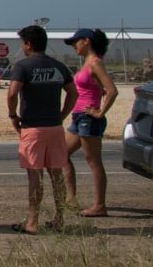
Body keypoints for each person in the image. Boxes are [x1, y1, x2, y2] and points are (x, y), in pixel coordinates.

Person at [7, 24, 78, 234]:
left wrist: (13, 115)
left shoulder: (23, 66)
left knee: (35, 176)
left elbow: (12, 94)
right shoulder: (59, 66)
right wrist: (62, 115)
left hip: (33, 128)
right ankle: (59, 219)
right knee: (57, 175)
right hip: (55, 128)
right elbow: (73, 94)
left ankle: (32, 222)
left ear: (28, 44)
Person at [63, 27, 118, 217]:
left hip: (88, 118)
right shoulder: (87, 62)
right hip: (79, 117)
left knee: (93, 162)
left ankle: (99, 205)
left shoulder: (95, 63)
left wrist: (100, 112)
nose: (73, 46)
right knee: (62, 154)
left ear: (86, 41)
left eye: (75, 42)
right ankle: (70, 199)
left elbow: (111, 90)